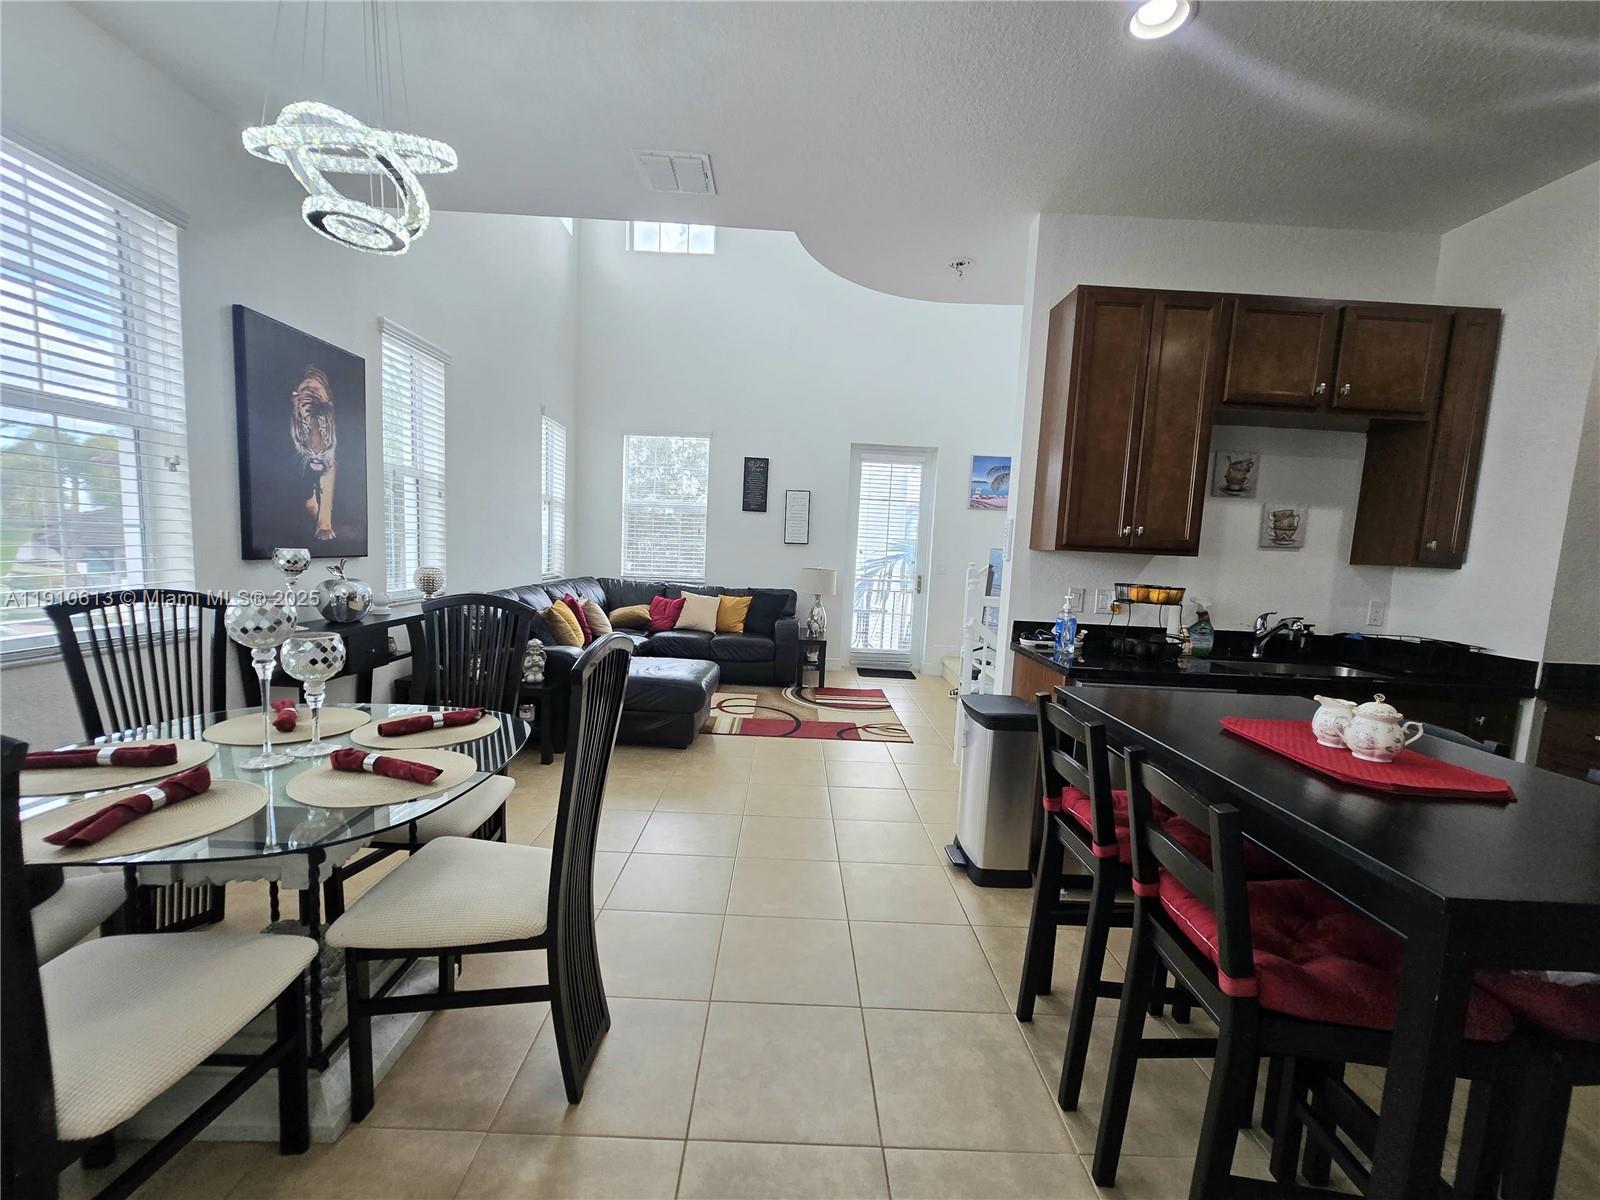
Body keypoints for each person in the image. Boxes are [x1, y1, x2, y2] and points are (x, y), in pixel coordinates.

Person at [289, 365, 338, 541]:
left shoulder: (327, 408)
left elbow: (329, 465)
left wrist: (324, 522)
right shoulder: (298, 410)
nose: (316, 447)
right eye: (308, 430)